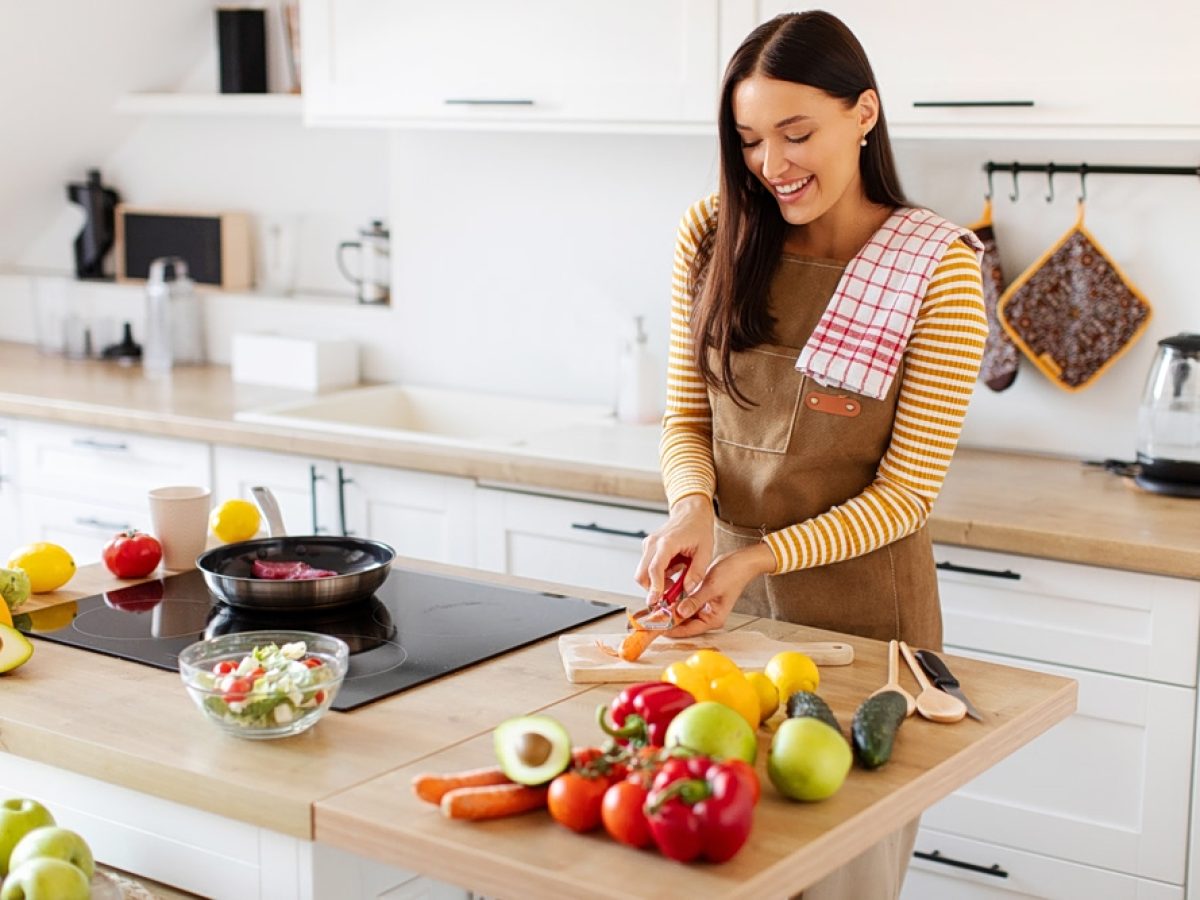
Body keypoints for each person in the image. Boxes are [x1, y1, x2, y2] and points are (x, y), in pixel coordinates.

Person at [634, 11, 988, 899]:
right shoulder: (713, 235)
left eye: (798, 134)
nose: (772, 165)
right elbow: (686, 420)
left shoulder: (935, 268)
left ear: (863, 114)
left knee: (842, 880)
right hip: (722, 614)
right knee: (715, 866)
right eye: (751, 139)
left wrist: (753, 551)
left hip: (869, 629)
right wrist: (692, 509)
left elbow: (904, 497)